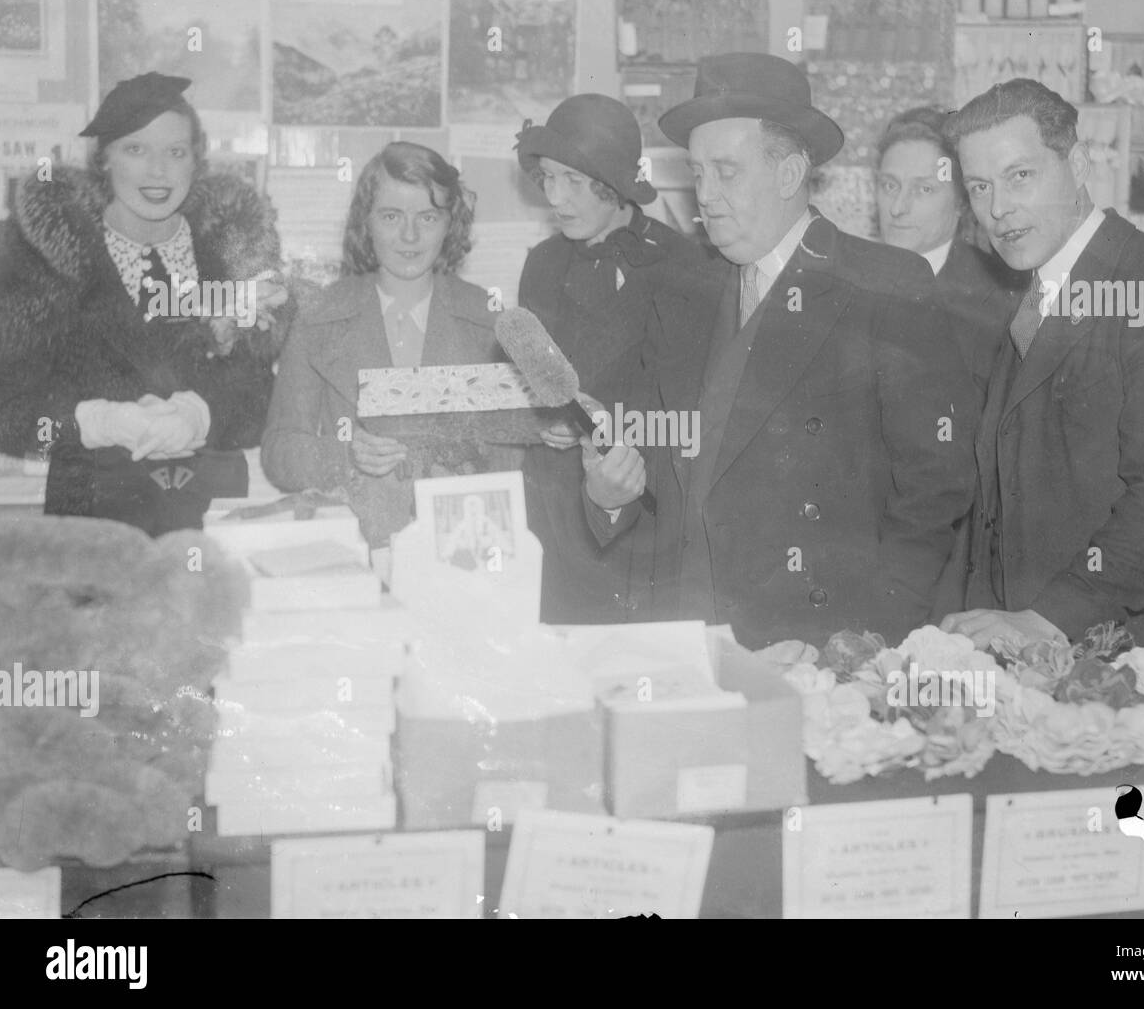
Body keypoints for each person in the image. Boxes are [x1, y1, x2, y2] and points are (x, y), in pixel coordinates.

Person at [589, 53, 979, 649]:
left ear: (791, 174)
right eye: (698, 173)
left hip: (817, 641)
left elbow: (934, 489)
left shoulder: (885, 285)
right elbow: (654, 466)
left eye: (727, 172)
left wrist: (869, 637)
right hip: (685, 632)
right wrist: (607, 497)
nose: (706, 196)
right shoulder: (682, 288)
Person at [940, 78, 1144, 650]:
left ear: (1079, 164)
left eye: (1020, 176)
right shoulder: (1023, 295)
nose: (998, 208)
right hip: (1040, 653)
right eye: (980, 187)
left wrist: (1047, 618)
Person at [0, 72, 287, 536]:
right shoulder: (47, 260)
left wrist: (202, 414)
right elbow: (6, 414)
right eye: (135, 149)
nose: (158, 171)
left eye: (175, 152)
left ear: (196, 161)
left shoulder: (229, 253)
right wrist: (95, 422)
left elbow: (261, 400)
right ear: (104, 160)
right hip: (93, 523)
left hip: (214, 516)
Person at [514, 93, 719, 624]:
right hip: (558, 534)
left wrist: (610, 430)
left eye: (572, 180)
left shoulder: (686, 267)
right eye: (547, 178)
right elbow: (525, 385)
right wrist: (542, 421)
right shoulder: (542, 265)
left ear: (614, 183)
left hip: (649, 534)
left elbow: (692, 421)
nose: (554, 197)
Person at [261, 142, 521, 549]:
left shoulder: (487, 319)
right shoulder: (319, 316)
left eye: (427, 217)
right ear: (366, 222)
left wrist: (467, 461)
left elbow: (513, 452)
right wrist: (344, 454)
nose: (410, 235)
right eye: (391, 216)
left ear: (450, 223)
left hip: (457, 547)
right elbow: (279, 452)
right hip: (353, 548)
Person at [876, 105, 1023, 405]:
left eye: (924, 189)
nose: (898, 208)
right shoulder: (847, 283)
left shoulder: (1002, 302)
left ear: (961, 202)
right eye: (890, 185)